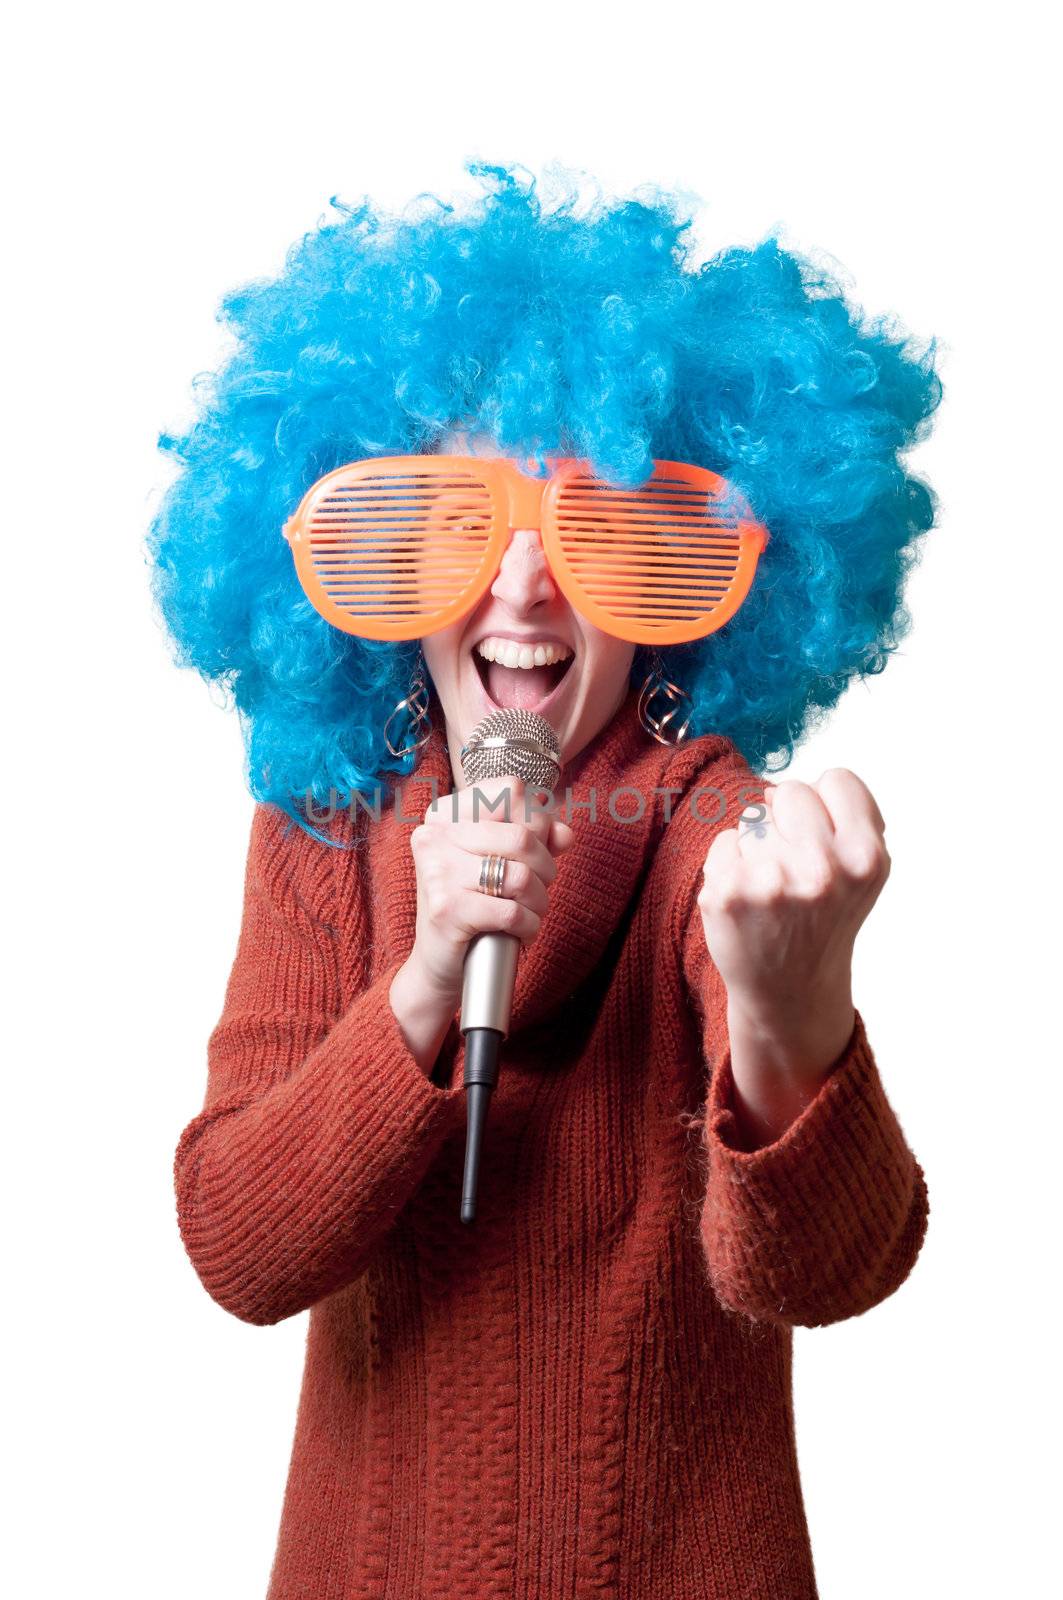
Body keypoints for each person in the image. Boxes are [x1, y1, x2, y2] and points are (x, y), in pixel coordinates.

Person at [149, 161, 940, 1599]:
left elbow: (838, 1270)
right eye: (458, 522)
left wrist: (790, 1019)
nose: (525, 590)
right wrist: (421, 988)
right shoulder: (322, 837)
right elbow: (236, 1248)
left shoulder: (715, 825)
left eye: (606, 533)